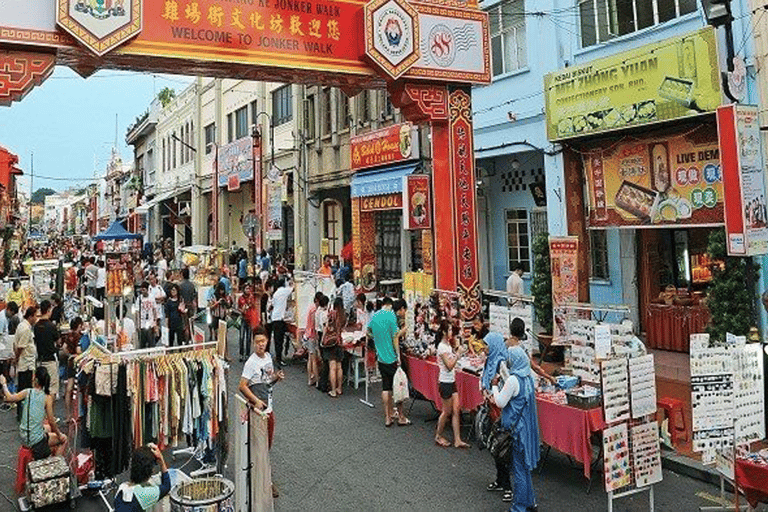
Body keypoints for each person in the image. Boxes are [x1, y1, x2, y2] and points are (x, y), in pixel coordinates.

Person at [491, 345, 541, 512]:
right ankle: (529, 501)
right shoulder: (528, 378)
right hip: (525, 428)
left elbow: (500, 402)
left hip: (516, 431)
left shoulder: (513, 380)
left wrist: (494, 386)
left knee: (518, 470)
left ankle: (519, 507)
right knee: (524, 468)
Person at [239, 326, 284, 499]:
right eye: (257, 342)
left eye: (263, 341)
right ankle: (265, 482)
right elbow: (242, 385)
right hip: (258, 412)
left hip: (269, 409)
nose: (260, 345)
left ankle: (259, 477)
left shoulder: (268, 358)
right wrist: (256, 401)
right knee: (261, 448)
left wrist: (276, 378)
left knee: (266, 447)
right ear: (253, 343)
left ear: (267, 341)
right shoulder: (251, 363)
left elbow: (267, 382)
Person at [0, 367, 67, 459]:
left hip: (23, 436)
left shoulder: (27, 392)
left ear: (35, 378)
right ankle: (54, 466)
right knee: (64, 439)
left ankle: (46, 453)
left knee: (47, 428)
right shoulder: (47, 398)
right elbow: (52, 421)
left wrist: (4, 384)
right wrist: (60, 435)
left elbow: (9, 398)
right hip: (35, 441)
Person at [367, 297, 411, 427]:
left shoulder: (375, 316)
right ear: (390, 305)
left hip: (381, 358)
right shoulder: (391, 316)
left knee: (386, 387)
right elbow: (395, 337)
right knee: (398, 386)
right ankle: (401, 416)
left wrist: (377, 340)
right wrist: (398, 356)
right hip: (391, 357)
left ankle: (388, 416)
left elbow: (368, 332)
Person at [482, 332, 513, 503]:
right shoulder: (489, 361)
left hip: (502, 412)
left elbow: (507, 385)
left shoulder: (502, 363)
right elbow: (484, 378)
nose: (484, 347)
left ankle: (508, 486)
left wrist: (495, 393)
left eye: (487, 344)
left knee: (503, 448)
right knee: (495, 447)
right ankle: (500, 480)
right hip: (492, 410)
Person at [434, 320, 471, 448]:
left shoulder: (448, 345)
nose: (451, 332)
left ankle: (457, 439)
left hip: (451, 380)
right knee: (446, 411)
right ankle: (438, 435)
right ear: (444, 332)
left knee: (456, 410)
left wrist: (457, 353)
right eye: (449, 330)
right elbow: (449, 365)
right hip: (445, 382)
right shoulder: (441, 347)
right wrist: (458, 354)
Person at [114, 444, 170, 511]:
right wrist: (161, 460)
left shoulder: (122, 487)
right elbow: (167, 486)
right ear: (150, 471)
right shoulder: (144, 495)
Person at [507, 318, 556, 386]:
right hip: (522, 383)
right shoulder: (521, 348)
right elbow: (534, 367)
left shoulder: (504, 345)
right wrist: (549, 377)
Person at [14, 306, 38, 421]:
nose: (36, 319)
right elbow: (20, 347)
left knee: (22, 389)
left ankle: (22, 414)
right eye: (35, 316)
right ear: (30, 316)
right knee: (25, 390)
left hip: (25, 363)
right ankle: (23, 415)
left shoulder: (22, 325)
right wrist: (17, 358)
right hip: (25, 364)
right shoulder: (26, 329)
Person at [34, 300, 61, 400]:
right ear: (49, 310)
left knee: (41, 389)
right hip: (50, 361)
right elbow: (58, 342)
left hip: (40, 361)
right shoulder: (51, 326)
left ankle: (43, 413)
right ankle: (51, 414)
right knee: (52, 389)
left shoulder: (36, 326)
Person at [323, 297, 346, 398]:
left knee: (332, 367)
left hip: (331, 343)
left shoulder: (332, 314)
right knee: (339, 367)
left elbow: (327, 326)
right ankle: (339, 388)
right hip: (339, 342)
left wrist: (323, 338)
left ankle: (333, 390)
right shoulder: (343, 315)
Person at [270, 278, 293, 368]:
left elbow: (273, 304)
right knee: (280, 340)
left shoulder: (276, 293)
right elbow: (294, 288)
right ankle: (279, 359)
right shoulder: (284, 291)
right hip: (280, 319)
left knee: (277, 340)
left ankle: (278, 357)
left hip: (275, 318)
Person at [303, 292, 322, 386]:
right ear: (317, 300)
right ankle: (317, 380)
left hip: (307, 334)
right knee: (314, 359)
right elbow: (315, 325)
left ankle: (310, 379)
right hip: (312, 335)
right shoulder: (315, 310)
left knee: (310, 359)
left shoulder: (310, 307)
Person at [237, 282, 259, 361]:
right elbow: (238, 308)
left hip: (250, 319)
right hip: (243, 319)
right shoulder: (241, 298)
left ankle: (247, 354)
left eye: (249, 288)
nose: (248, 290)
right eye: (246, 288)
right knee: (242, 337)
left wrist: (251, 304)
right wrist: (242, 310)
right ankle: (241, 354)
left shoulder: (252, 297)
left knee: (249, 338)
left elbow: (254, 306)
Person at [136, 282, 159, 349]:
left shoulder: (152, 297)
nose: (143, 292)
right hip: (142, 323)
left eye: (144, 290)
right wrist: (138, 324)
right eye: (142, 290)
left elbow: (154, 310)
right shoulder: (139, 299)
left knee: (151, 342)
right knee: (142, 342)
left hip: (150, 323)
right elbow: (137, 312)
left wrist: (155, 322)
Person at [178, 267, 197, 340]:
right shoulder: (192, 285)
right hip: (190, 305)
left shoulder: (180, 285)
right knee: (191, 323)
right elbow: (194, 295)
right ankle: (191, 338)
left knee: (185, 324)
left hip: (183, 306)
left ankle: (185, 340)